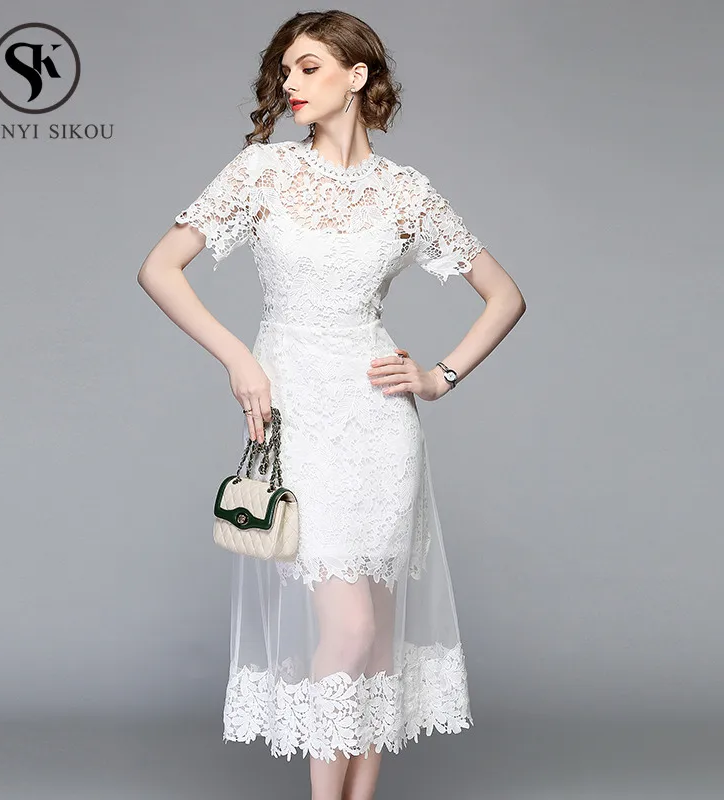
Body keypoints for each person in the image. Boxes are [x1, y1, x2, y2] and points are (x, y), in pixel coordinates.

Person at [138, 9, 525, 800]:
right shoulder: (262, 173)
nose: (290, 83)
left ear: (357, 76)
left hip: (380, 425)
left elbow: (505, 295)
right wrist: (239, 358)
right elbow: (159, 268)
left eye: (308, 67)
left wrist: (439, 377)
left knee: (376, 643)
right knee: (348, 630)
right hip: (300, 415)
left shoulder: (406, 192)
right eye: (284, 70)